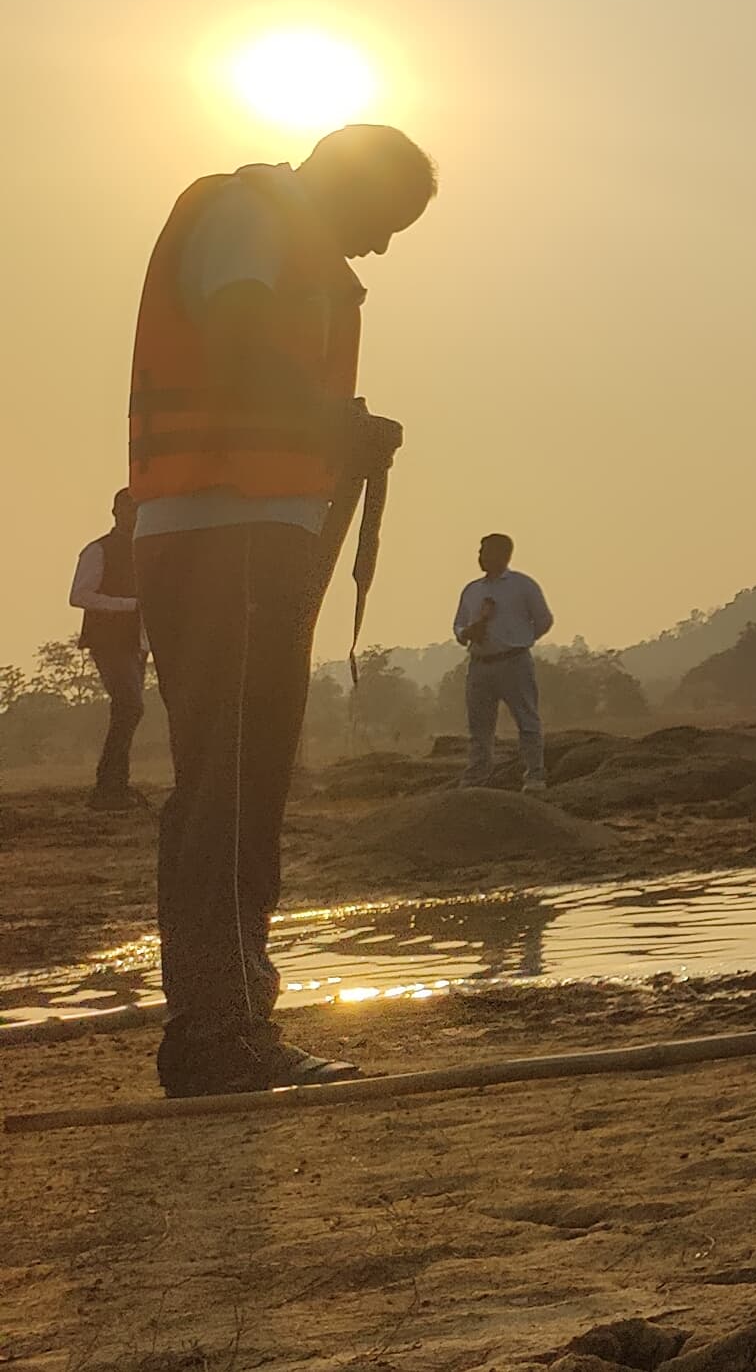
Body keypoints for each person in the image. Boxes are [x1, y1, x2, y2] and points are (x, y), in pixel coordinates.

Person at [126, 122, 435, 1096]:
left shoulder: (288, 236)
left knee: (253, 781)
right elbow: (240, 342)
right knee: (224, 785)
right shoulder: (245, 216)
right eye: (386, 221)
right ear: (351, 178)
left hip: (259, 535)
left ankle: (238, 1020)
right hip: (221, 535)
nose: (381, 248)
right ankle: (214, 1035)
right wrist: (330, 423)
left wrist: (337, 435)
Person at [450, 531, 555, 789]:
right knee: (479, 728)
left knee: (526, 720)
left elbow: (544, 620)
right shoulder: (472, 590)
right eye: (479, 552)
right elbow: (458, 625)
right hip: (480, 664)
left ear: (503, 554)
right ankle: (477, 776)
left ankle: (535, 774)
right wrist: (467, 633)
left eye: (485, 551)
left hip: (514, 662)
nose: (480, 557)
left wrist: (520, 639)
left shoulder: (523, 586)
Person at [68, 487, 146, 810]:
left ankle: (114, 787)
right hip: (108, 641)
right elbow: (79, 595)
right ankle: (108, 786)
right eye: (128, 510)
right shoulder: (98, 550)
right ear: (115, 512)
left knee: (126, 709)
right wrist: (129, 606)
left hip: (134, 643)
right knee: (131, 706)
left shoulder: (144, 551)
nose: (134, 516)